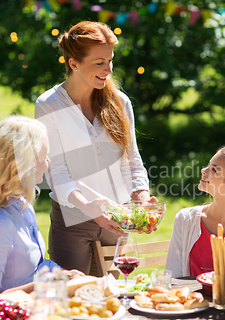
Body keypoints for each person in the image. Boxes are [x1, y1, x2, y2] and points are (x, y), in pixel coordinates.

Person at [35, 21, 155, 274]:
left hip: (117, 217)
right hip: (73, 219)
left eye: (110, 61)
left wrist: (142, 196)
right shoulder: (49, 105)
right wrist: (88, 207)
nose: (108, 70)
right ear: (73, 63)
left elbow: (131, 159)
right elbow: (56, 171)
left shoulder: (119, 102)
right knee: (73, 299)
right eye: (99, 63)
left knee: (112, 297)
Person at [0, 115, 82, 294]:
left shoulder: (20, 204)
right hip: (14, 316)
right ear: (25, 164)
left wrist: (65, 274)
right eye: (44, 156)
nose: (48, 162)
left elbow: (38, 266)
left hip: (39, 303)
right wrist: (46, 283)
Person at [165, 146, 225, 278]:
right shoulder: (185, 219)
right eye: (208, 166)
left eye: (214, 169)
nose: (203, 171)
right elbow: (172, 276)